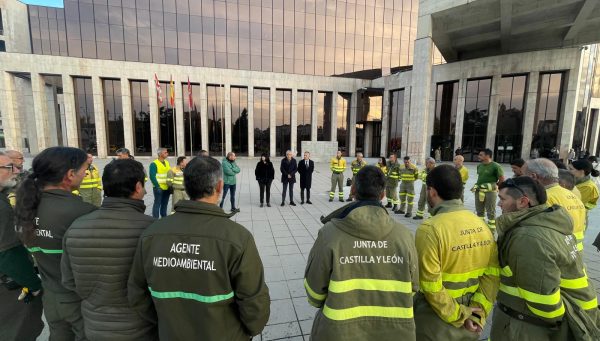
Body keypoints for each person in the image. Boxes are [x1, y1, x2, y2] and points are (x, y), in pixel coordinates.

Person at [128, 156, 270, 340]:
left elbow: (137, 294)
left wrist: (167, 324)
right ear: (219, 187)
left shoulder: (151, 234)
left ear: (186, 186)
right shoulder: (238, 238)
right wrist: (245, 332)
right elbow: (254, 303)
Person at [304, 165, 418, 340]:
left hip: (339, 333)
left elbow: (314, 295)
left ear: (354, 189)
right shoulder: (405, 236)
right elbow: (412, 289)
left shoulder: (329, 234)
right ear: (383, 195)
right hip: (394, 334)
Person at [491, 176, 600, 340]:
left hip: (533, 327)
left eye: (502, 199)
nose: (499, 204)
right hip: (578, 309)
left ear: (523, 202)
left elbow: (546, 306)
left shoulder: (528, 238)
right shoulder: (547, 221)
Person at [61, 159, 157, 340]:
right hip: (140, 326)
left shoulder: (76, 227)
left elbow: (69, 281)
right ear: (138, 187)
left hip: (95, 325)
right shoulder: (152, 230)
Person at [14, 146, 97, 340]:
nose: (86, 174)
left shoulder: (26, 206)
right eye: (84, 170)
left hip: (51, 296)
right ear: (70, 174)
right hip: (78, 300)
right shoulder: (82, 211)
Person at [414, 164, 499, 340]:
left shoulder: (430, 229)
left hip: (436, 321)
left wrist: (459, 315)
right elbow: (491, 277)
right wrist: (477, 314)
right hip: (472, 321)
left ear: (432, 192)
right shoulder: (481, 225)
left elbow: (429, 284)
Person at [0, 151, 44, 341]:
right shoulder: (1, 207)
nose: (17, 171)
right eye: (10, 167)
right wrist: (33, 283)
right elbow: (8, 252)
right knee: (19, 330)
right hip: (9, 286)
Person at [524, 159, 586, 254]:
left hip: (554, 253)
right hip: (574, 252)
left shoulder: (543, 198)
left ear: (533, 176)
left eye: (523, 177)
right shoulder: (573, 195)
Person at [473, 149, 505, 232]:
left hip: (490, 192)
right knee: (479, 211)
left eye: (481, 155)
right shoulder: (479, 166)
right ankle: (481, 228)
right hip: (479, 191)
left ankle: (491, 231)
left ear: (487, 156)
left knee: (491, 212)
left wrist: (494, 186)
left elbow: (502, 179)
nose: (478, 156)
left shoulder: (496, 166)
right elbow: (480, 177)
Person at [149, 148, 171, 218]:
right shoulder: (154, 164)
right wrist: (157, 186)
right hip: (159, 188)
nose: (167, 153)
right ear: (160, 154)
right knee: (157, 204)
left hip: (167, 187)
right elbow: (152, 176)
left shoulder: (167, 162)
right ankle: (155, 219)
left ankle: (164, 217)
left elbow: (169, 173)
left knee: (165, 204)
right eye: (165, 152)